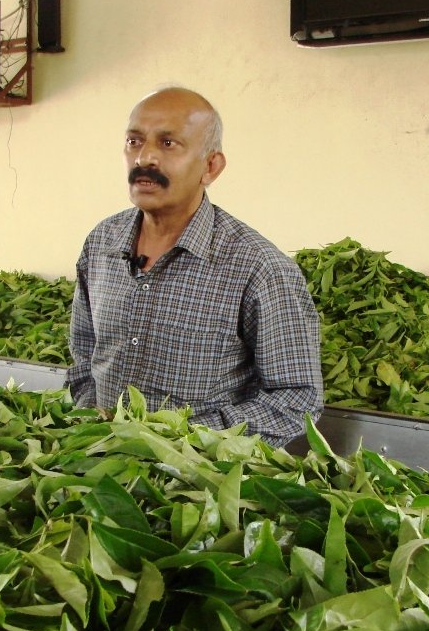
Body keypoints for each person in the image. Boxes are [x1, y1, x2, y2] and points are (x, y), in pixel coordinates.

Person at [67, 86, 323, 447]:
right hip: (98, 464)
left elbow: (296, 401)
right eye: (134, 141)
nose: (145, 158)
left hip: (195, 487)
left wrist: (186, 438)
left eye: (168, 144)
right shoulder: (101, 245)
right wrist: (88, 421)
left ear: (210, 166)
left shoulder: (258, 268)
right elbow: (83, 353)